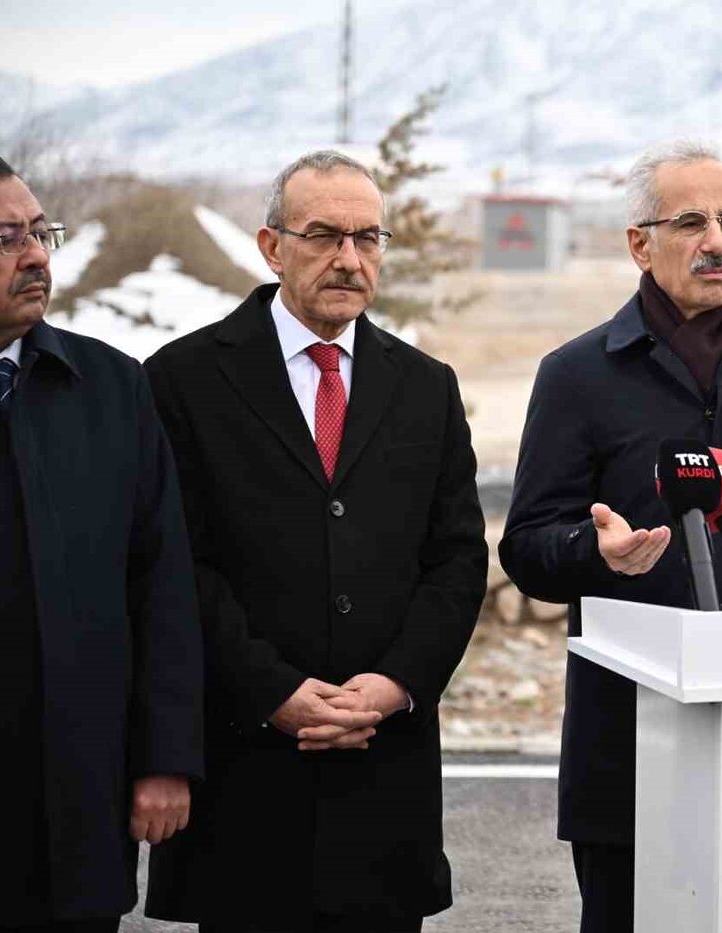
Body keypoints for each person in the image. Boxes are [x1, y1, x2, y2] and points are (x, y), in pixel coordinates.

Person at [500, 139, 722, 933]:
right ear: (638, 243)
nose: (716, 241)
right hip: (632, 734)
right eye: (690, 222)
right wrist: (596, 553)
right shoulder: (578, 374)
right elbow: (526, 546)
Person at [143, 150, 488, 932]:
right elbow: (175, 565)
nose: (349, 259)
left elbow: (458, 558)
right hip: (246, 780)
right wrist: (273, 692)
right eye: (325, 235)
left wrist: (396, 682)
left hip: (384, 778)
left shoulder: (426, 387)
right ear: (271, 246)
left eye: (368, 238)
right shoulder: (182, 380)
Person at [0, 156, 202, 932]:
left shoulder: (112, 390)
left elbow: (163, 585)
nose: (38, 256)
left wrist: (164, 758)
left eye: (41, 232)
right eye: (5, 237)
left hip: (73, 799)